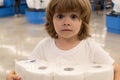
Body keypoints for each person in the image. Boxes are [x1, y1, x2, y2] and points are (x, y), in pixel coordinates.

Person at [6, 0, 120, 80]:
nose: (66, 22)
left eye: (73, 16)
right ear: (51, 20)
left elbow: (116, 68)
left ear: (83, 21)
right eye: (60, 16)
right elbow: (27, 67)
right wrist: (13, 74)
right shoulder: (44, 46)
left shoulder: (90, 47)